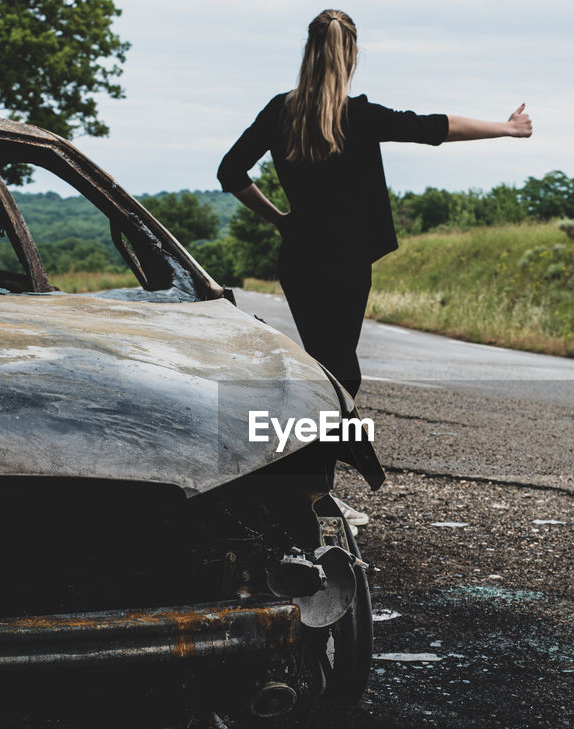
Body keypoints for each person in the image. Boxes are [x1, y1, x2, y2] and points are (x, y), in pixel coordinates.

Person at [217, 8, 531, 523]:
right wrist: (507, 128)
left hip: (299, 257)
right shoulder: (358, 116)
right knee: (338, 372)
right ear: (351, 55)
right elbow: (436, 127)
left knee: (328, 369)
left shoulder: (281, 111)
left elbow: (230, 170)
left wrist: (280, 218)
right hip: (344, 260)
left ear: (309, 52)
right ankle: (301, 488)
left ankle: (305, 484)